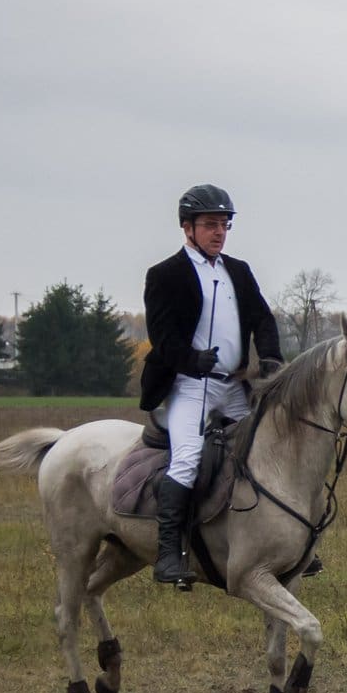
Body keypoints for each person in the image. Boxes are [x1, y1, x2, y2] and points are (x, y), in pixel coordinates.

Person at [139, 184, 286, 586]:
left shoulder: (238, 270)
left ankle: (283, 545)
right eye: (210, 225)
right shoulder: (164, 275)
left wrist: (270, 357)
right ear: (187, 227)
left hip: (233, 387)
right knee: (187, 458)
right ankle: (169, 554)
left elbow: (262, 318)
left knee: (268, 451)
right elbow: (162, 337)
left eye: (224, 225)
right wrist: (192, 360)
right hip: (189, 386)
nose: (219, 232)